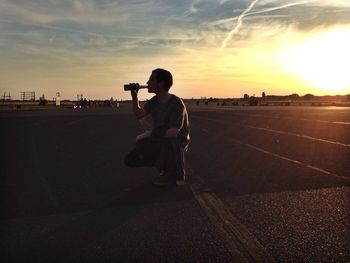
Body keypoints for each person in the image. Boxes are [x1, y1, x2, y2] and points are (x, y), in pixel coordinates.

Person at [124, 68, 190, 186]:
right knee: (133, 156)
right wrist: (134, 97)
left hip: (176, 142)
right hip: (161, 137)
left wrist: (149, 133)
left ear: (161, 83)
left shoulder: (176, 103)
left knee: (169, 142)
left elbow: (173, 132)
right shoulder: (154, 101)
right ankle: (164, 167)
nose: (147, 83)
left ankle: (174, 172)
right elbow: (139, 115)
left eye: (151, 80)